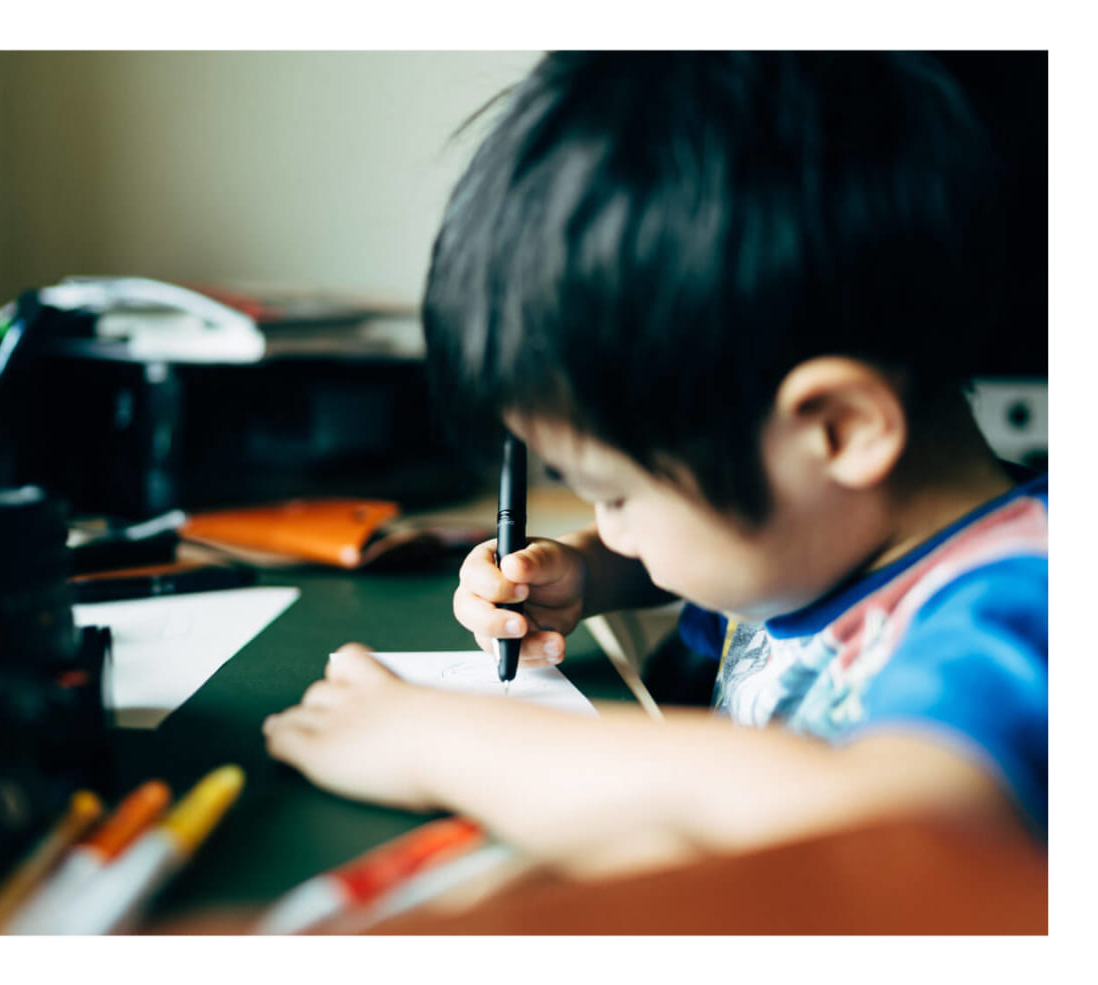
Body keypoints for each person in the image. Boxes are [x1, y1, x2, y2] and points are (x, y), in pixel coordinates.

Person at [262, 52, 1047, 877]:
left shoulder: (1027, 603)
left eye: (616, 495)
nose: (609, 526)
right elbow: (720, 575)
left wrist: (442, 742)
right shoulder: (816, 536)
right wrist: (585, 575)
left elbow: (898, 815)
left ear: (838, 430)